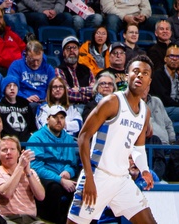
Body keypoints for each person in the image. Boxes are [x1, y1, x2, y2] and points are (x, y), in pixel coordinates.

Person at [67, 56, 158, 224]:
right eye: (136, 72)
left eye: (144, 74)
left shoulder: (145, 112)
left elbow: (138, 148)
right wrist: (88, 177)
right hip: (98, 175)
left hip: (122, 179)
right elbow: (83, 136)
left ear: (149, 81)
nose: (139, 76)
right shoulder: (112, 102)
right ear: (126, 75)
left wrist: (144, 169)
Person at [28, 106, 78, 223]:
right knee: (54, 189)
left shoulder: (69, 139)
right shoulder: (36, 138)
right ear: (47, 119)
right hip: (45, 177)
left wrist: (68, 172)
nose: (59, 120)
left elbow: (72, 164)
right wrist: (59, 179)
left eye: (62, 117)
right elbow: (36, 167)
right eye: (55, 117)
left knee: (80, 187)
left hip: (63, 176)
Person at [0, 137, 46, 224]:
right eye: (4, 150)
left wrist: (28, 172)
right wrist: (20, 166)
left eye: (12, 149)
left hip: (32, 219)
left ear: (19, 153)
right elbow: (6, 193)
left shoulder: (31, 172)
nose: (9, 152)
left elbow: (41, 196)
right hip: (7, 219)